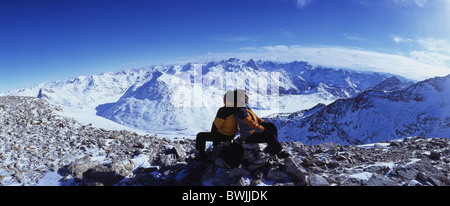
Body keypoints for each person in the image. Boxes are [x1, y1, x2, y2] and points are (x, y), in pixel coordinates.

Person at [233, 89, 289, 158]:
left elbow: (255, 117)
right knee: (269, 135)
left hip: (253, 132)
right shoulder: (240, 111)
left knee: (272, 127)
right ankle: (278, 152)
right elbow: (250, 124)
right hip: (248, 136)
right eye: (245, 96)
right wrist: (263, 129)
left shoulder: (244, 107)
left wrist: (264, 123)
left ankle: (269, 147)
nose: (248, 98)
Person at [195, 91, 238, 160]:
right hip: (232, 135)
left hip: (224, 136)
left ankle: (201, 155)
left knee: (200, 136)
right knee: (217, 134)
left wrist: (213, 137)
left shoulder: (223, 110)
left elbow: (216, 125)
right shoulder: (237, 109)